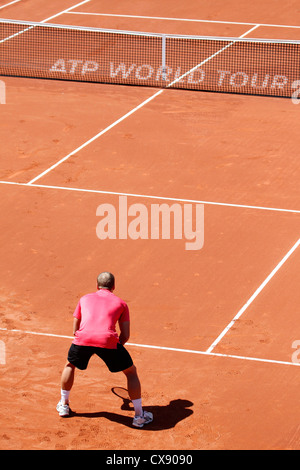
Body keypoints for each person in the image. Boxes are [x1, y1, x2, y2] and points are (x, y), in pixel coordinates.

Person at [56, 272, 153, 428]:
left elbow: (75, 330)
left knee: (69, 365)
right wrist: (112, 347)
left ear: (97, 285)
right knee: (131, 372)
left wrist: (87, 340)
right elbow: (125, 335)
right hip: (108, 340)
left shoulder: (84, 299)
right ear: (113, 286)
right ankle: (139, 416)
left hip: (83, 339)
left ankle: (63, 405)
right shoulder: (121, 304)